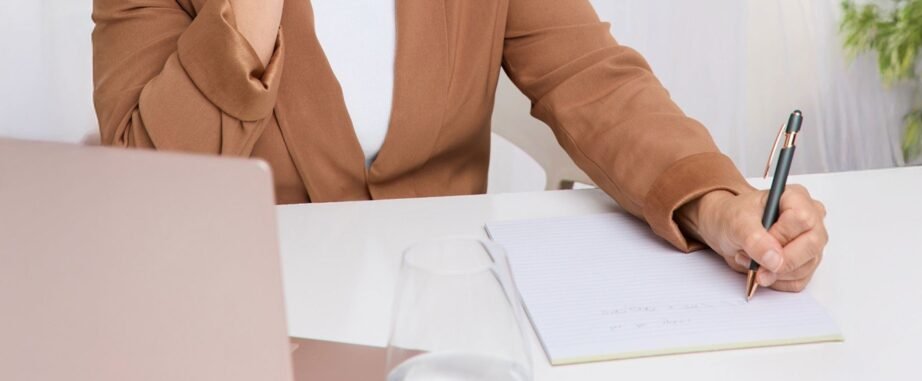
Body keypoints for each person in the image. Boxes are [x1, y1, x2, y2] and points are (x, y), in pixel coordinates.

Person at [92, 0, 828, 291]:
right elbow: (142, 182)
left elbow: (589, 78)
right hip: (239, 318)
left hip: (441, 319)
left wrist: (716, 202)